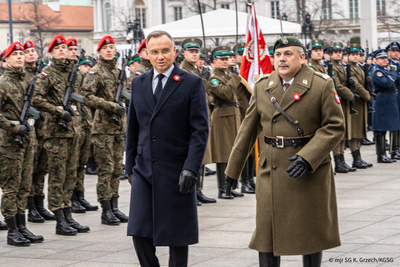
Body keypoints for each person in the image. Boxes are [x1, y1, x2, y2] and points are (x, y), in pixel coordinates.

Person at [225, 36, 345, 267]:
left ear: (302, 57)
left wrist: (307, 157)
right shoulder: (263, 86)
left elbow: (335, 126)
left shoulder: (321, 84)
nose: (281, 59)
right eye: (278, 55)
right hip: (272, 168)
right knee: (266, 235)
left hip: (308, 170)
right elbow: (247, 131)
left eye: (288, 54)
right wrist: (233, 171)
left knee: (310, 234)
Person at [125, 30, 209, 267]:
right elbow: (133, 127)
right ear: (147, 55)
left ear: (174, 52)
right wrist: (130, 166)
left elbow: (200, 130)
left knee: (177, 234)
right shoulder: (139, 83)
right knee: (139, 231)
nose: (160, 56)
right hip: (143, 169)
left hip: (177, 169)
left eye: (165, 50)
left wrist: (192, 168)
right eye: (154, 52)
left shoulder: (191, 83)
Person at [33, 34, 89, 235]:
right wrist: (58, 111)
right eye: (58, 49)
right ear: (51, 52)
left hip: (72, 131)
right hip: (55, 132)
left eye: (64, 48)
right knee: (57, 176)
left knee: (70, 175)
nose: (62, 51)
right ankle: (59, 219)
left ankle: (68, 214)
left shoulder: (71, 73)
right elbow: (36, 99)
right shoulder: (46, 74)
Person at [81, 36, 128, 225]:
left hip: (118, 127)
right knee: (105, 170)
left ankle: (115, 206)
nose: (109, 50)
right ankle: (106, 210)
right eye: (105, 48)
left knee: (117, 168)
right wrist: (110, 106)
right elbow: (86, 97)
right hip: (102, 128)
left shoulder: (118, 72)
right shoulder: (95, 72)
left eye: (111, 47)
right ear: (99, 52)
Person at [0, 42, 44, 245]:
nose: (19, 57)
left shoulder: (25, 82)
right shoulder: (3, 83)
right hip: (9, 143)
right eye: (15, 54)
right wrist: (15, 128)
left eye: (21, 54)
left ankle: (21, 227)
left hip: (27, 141)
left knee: (24, 186)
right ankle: (11, 231)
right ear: (6, 59)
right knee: (11, 187)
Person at [180, 37, 216, 205]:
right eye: (191, 52)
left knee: (200, 155)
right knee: (193, 155)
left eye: (197, 52)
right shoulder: (185, 70)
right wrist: (207, 82)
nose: (195, 54)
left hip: (201, 113)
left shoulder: (196, 70)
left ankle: (198, 190)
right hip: (189, 118)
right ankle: (193, 190)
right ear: (184, 53)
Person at [23, 40, 55, 223]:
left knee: (42, 167)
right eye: (26, 51)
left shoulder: (43, 73)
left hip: (45, 126)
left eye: (33, 50)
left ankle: (39, 204)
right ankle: (31, 207)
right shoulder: (23, 75)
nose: (30, 54)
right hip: (30, 126)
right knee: (31, 168)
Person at [208, 46, 244, 199]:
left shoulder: (228, 75)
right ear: (215, 62)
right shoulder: (214, 78)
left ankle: (231, 186)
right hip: (222, 116)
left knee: (232, 153)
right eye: (221, 59)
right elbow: (226, 93)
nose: (225, 61)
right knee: (223, 154)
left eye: (226, 59)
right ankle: (222, 189)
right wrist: (235, 78)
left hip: (233, 115)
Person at [72, 55, 99, 212]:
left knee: (80, 164)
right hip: (71, 125)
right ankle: (71, 200)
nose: (87, 68)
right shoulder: (74, 76)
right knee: (71, 167)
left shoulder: (82, 77)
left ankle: (80, 196)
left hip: (84, 122)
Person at [330, 42, 357, 173]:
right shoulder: (332, 67)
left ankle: (342, 160)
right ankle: (338, 162)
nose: (338, 54)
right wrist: (351, 95)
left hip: (344, 102)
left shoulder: (341, 66)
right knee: (339, 132)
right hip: (339, 101)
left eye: (340, 52)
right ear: (330, 54)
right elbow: (338, 86)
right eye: (335, 52)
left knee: (344, 132)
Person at [371, 49, 400, 163]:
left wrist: (394, 75)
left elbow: (397, 82)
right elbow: (388, 84)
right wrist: (394, 74)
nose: (385, 60)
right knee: (380, 128)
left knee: (392, 126)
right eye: (382, 59)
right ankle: (381, 154)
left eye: (385, 58)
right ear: (376, 60)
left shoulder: (385, 71)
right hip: (382, 101)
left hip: (390, 101)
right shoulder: (377, 72)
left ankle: (392, 151)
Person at [347, 44, 372, 168]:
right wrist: (367, 96)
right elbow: (356, 85)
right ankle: (355, 159)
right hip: (355, 103)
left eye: (357, 54)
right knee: (355, 132)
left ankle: (358, 158)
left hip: (360, 104)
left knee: (359, 132)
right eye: (353, 55)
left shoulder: (358, 68)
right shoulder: (349, 69)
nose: (356, 57)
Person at [386, 41, 400, 159]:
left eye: (397, 51)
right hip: (393, 96)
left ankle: (398, 147)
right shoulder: (388, 66)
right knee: (394, 124)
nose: (396, 53)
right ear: (388, 53)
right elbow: (392, 81)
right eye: (393, 51)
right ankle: (393, 149)